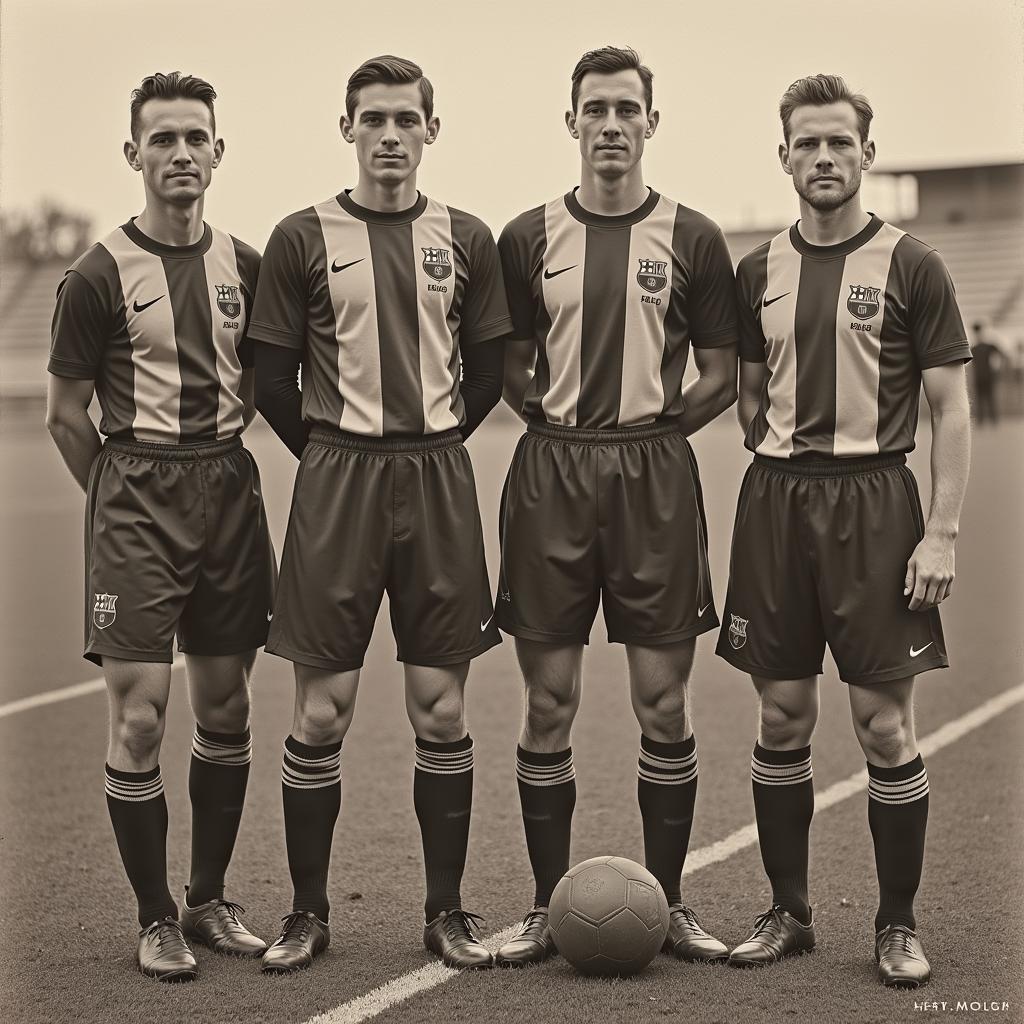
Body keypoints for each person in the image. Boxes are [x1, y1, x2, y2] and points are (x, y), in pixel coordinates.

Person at [250, 55, 511, 973]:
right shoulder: (300, 236)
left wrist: (433, 440)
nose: (390, 135)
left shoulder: (467, 237)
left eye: (407, 119)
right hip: (338, 483)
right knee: (321, 713)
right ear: (348, 129)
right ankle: (306, 913)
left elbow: (489, 370)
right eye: (374, 119)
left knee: (441, 711)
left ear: (431, 130)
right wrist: (327, 454)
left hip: (437, 481)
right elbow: (271, 375)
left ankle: (447, 911)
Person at [716, 74, 971, 989]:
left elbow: (951, 406)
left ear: (867, 151)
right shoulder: (758, 272)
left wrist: (938, 532)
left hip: (875, 505)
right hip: (777, 504)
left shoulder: (912, 264)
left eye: (839, 143)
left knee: (882, 726)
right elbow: (750, 393)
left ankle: (897, 923)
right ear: (783, 153)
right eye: (806, 143)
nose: (823, 157)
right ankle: (789, 912)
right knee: (781, 716)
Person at [494, 46, 738, 968]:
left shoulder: (695, 237)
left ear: (650, 123)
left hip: (653, 478)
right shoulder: (527, 238)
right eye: (593, 109)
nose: (609, 125)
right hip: (552, 474)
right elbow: (512, 360)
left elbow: (721, 371)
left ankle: (668, 903)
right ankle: (542, 907)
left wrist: (652, 432)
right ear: (570, 123)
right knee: (547, 701)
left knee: (662, 700)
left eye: (625, 109)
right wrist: (557, 422)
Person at [46, 72, 276, 982]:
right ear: (133, 152)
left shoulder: (247, 266)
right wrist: (113, 499)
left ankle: (208, 897)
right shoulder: (98, 274)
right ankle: (155, 917)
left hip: (226, 488)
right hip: (136, 494)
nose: (181, 153)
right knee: (140, 719)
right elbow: (66, 415)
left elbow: (259, 384)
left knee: (227, 707)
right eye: (163, 139)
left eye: (196, 138)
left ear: (218, 151)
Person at [968, 321, 1003, 425]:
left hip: (986, 376)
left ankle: (990, 420)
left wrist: (997, 368)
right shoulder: (976, 348)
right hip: (981, 377)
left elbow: (1000, 354)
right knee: (983, 399)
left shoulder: (982, 347)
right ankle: (984, 420)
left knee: (988, 399)